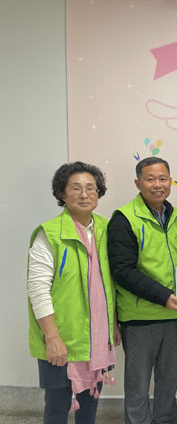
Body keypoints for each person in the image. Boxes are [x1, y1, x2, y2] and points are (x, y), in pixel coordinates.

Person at [27, 161, 119, 424]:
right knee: (57, 409)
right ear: (62, 194)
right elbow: (38, 290)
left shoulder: (107, 229)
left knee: (89, 407)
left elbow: (110, 282)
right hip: (61, 338)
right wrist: (52, 337)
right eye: (76, 188)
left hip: (97, 338)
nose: (84, 194)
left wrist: (113, 322)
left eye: (91, 188)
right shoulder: (49, 234)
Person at [108, 157, 177, 424]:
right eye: (150, 179)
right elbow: (123, 271)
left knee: (169, 380)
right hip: (140, 317)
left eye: (163, 178)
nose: (157, 184)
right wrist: (163, 296)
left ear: (170, 181)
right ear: (137, 183)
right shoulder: (124, 218)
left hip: (173, 315)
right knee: (138, 384)